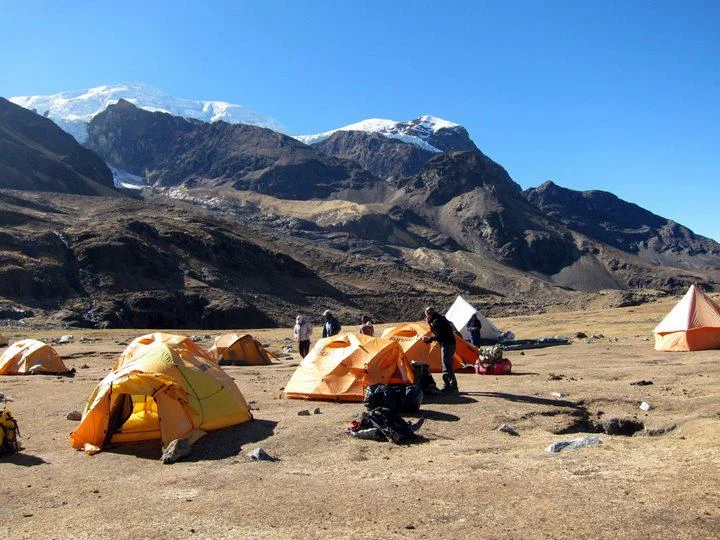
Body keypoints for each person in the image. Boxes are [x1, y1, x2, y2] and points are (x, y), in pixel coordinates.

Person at [422, 306, 458, 393]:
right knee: (449, 366)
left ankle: (449, 386)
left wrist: (429, 339)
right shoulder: (440, 318)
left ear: (428, 315)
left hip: (447, 345)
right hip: (451, 344)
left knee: (446, 366)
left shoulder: (437, 321)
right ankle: (453, 386)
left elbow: (439, 336)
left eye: (427, 315)